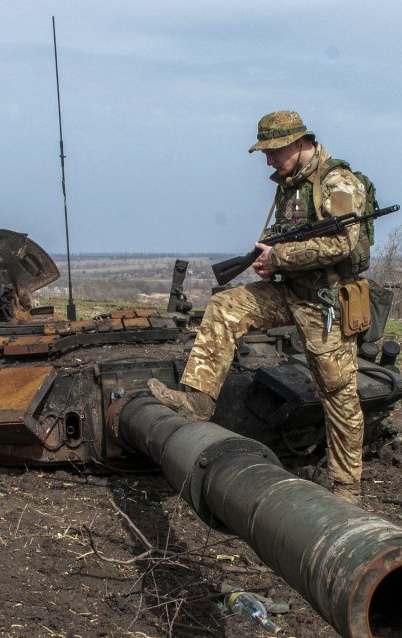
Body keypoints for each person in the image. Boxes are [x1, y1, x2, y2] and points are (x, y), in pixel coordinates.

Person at [148, 110, 371, 503]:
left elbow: (342, 243)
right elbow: (281, 238)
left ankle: (346, 486)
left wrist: (281, 258)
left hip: (327, 302)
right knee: (226, 305)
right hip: (290, 292)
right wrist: (267, 261)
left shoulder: (337, 181)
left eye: (274, 152)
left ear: (300, 143)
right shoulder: (288, 185)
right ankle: (198, 400)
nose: (268, 161)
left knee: (337, 392)